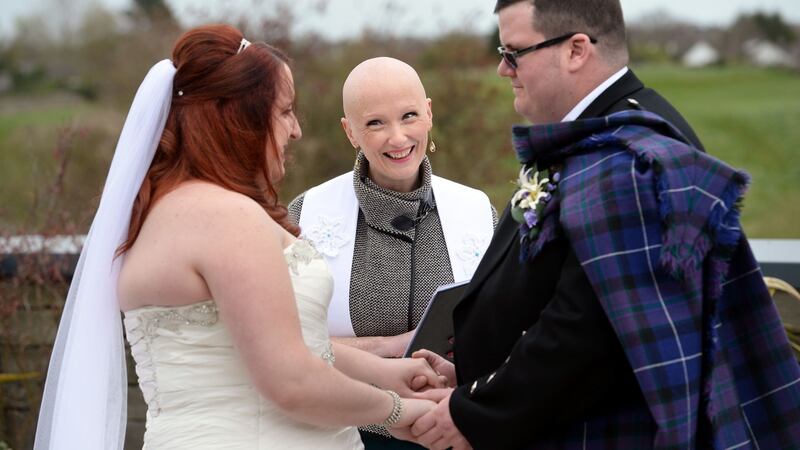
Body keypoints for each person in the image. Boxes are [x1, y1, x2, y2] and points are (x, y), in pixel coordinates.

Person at [396, 1, 800, 449]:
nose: (501, 69)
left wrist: (476, 409)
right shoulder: (596, 137)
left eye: (513, 52)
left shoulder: (634, 162)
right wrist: (480, 372)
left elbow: (587, 332)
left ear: (575, 50)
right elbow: (549, 284)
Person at [34, 25, 446, 450]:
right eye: (285, 111)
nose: (295, 131)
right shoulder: (227, 218)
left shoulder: (164, 210)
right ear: (242, 118)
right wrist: (396, 410)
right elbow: (291, 381)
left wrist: (386, 373)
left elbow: (266, 343)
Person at [287, 57, 496, 448]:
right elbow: (284, 342)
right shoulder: (305, 215)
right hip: (345, 434)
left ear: (429, 114)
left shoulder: (479, 210)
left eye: (409, 115)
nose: (397, 138)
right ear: (350, 132)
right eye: (375, 123)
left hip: (456, 432)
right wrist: (392, 346)